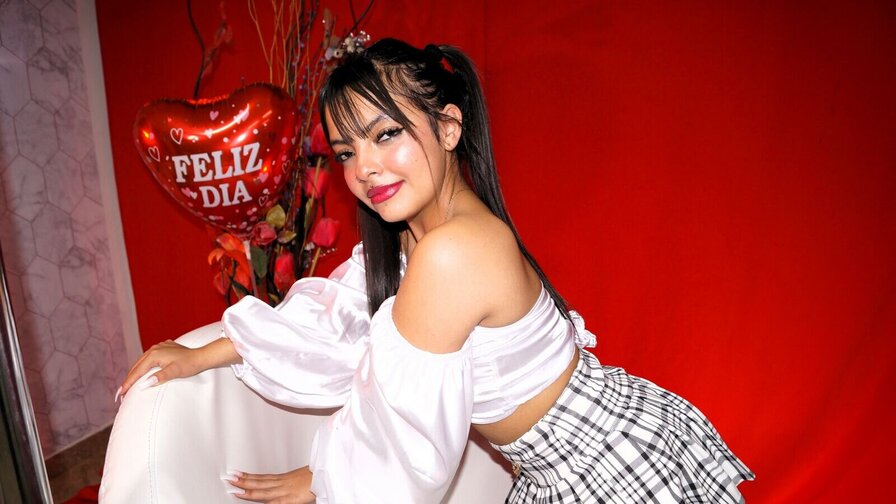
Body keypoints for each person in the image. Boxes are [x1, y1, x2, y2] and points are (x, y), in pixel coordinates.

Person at [120, 38, 754, 503]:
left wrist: (323, 479)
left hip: (601, 466)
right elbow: (340, 317)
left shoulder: (455, 252)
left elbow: (403, 428)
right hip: (560, 465)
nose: (364, 169)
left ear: (448, 127)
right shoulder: (414, 241)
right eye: (345, 151)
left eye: (385, 134)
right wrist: (201, 355)